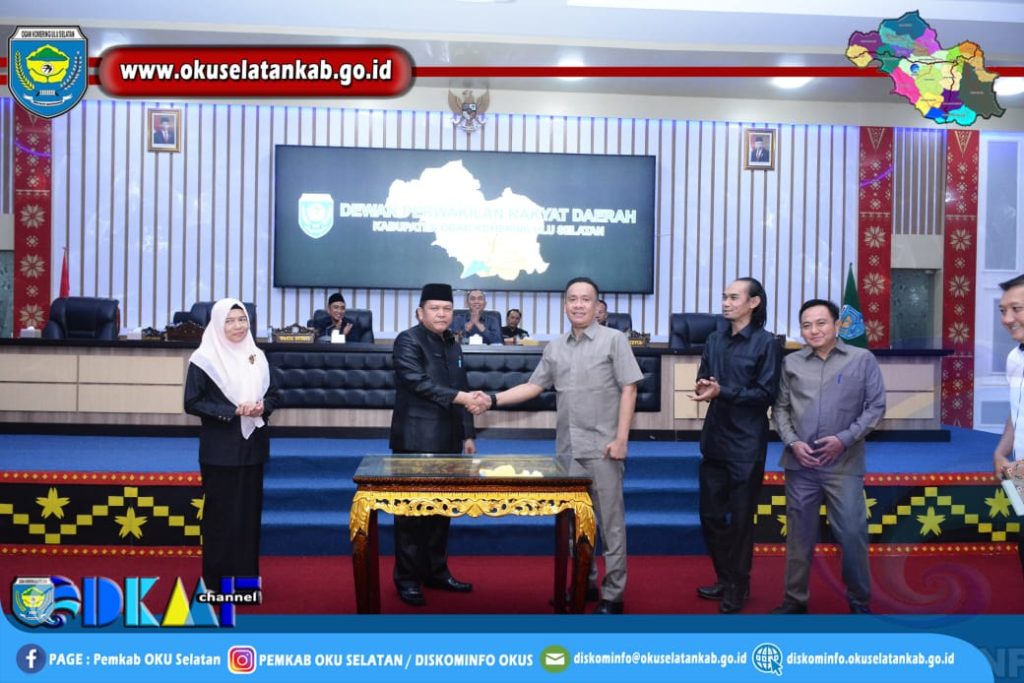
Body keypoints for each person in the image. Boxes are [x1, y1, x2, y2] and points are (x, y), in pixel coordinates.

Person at [486, 277, 643, 614]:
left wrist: (621, 440)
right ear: (565, 304)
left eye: (586, 299)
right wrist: (491, 400)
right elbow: (533, 387)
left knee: (610, 526)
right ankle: (586, 583)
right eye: (572, 299)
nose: (578, 305)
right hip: (567, 451)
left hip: (603, 449)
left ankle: (613, 594)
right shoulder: (555, 347)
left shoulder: (614, 340)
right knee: (575, 525)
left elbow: (630, 388)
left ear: (597, 306)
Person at [771, 299, 885, 615]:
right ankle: (794, 600)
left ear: (837, 325)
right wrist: (792, 442)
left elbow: (876, 407)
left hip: (843, 464)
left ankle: (859, 601)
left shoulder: (862, 359)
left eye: (821, 323)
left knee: (852, 534)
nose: (814, 330)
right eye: (806, 325)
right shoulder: (791, 363)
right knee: (799, 537)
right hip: (801, 465)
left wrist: (843, 440)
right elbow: (780, 408)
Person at [390, 283, 485, 606]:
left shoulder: (453, 343)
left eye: (447, 309)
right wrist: (462, 398)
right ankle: (407, 579)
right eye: (435, 308)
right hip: (415, 440)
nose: (442, 314)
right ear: (420, 312)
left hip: (449, 440)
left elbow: (463, 386)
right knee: (411, 513)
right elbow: (417, 382)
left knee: (442, 510)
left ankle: (435, 571)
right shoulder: (407, 340)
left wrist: (468, 435)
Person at [692, 277, 782, 613]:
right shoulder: (714, 339)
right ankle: (726, 577)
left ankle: (737, 585)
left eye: (733, 297)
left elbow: (765, 394)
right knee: (711, 516)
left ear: (753, 303)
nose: (726, 303)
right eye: (724, 297)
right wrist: (703, 385)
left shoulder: (767, 343)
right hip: (715, 440)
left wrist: (723, 391)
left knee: (741, 521)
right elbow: (704, 376)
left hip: (746, 444)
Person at [184, 298, 278, 591]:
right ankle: (216, 584)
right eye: (230, 320)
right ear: (216, 324)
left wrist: (262, 407)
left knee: (248, 519)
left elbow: (275, 395)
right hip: (220, 450)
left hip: (253, 448)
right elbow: (192, 402)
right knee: (220, 519)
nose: (238, 326)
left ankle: (246, 583)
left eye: (242, 319)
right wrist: (232, 411)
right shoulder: (204, 359)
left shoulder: (257, 356)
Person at [993, 273, 1024, 575]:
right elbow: (1017, 411)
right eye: (1003, 310)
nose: (1007, 319)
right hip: (1021, 471)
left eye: (1016, 309)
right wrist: (1001, 452)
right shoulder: (1014, 358)